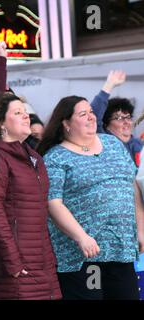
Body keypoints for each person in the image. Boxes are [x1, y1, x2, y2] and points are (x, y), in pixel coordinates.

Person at [37, 96, 144, 300]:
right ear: (66, 123)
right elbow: (53, 203)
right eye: (82, 114)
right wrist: (81, 237)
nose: (91, 117)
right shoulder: (56, 157)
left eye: (92, 112)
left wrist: (141, 229)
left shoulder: (112, 143)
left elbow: (132, 187)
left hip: (121, 250)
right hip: (84, 257)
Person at [0, 92, 61, 300]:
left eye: (26, 112)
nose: (26, 116)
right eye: (18, 112)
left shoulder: (33, 156)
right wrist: (12, 261)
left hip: (39, 259)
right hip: (10, 265)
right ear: (1, 124)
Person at [91, 70, 142, 166]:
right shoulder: (104, 142)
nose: (126, 121)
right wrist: (109, 85)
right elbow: (94, 116)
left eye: (128, 117)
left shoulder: (139, 144)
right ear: (107, 125)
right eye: (119, 118)